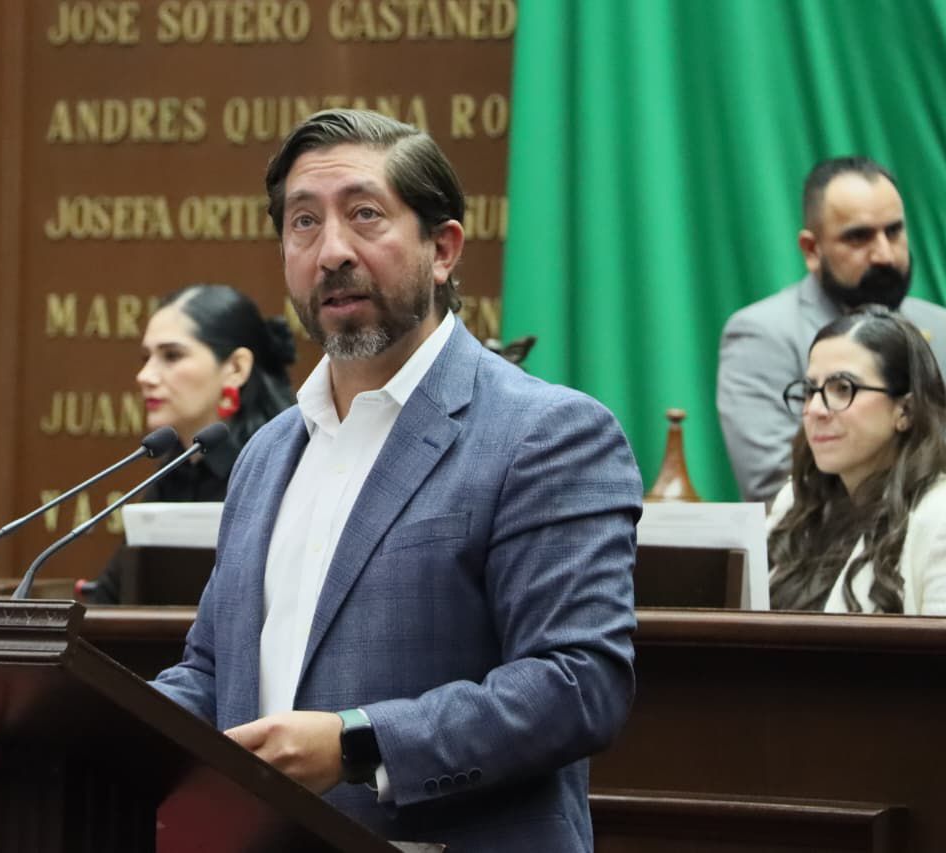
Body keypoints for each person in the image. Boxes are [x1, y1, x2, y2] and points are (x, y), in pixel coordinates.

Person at [151, 109, 642, 851]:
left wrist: (358, 742)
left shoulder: (546, 433)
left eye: (365, 215)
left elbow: (578, 683)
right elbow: (214, 674)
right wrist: (95, 732)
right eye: (304, 223)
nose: (331, 251)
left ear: (442, 249)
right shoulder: (266, 454)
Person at [718, 156, 946, 503]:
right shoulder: (763, 335)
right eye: (859, 237)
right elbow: (776, 484)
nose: (884, 254)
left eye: (894, 231)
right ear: (812, 249)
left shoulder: (939, 326)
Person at [81, 283, 296, 604]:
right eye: (146, 358)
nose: (145, 376)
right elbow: (110, 600)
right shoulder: (175, 473)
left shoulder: (282, 471)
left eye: (171, 356)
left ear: (236, 368)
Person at [768, 305, 946, 614]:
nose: (816, 410)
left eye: (842, 388)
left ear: (905, 411)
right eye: (811, 390)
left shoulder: (938, 517)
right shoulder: (796, 502)